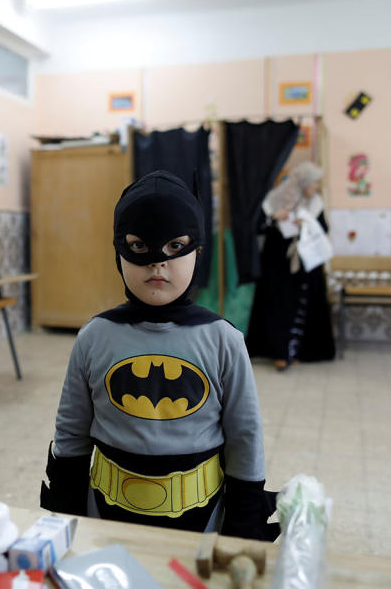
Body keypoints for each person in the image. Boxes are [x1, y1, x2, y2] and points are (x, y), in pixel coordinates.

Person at [40, 171, 278, 541]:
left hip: (201, 522)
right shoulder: (94, 337)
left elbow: (245, 436)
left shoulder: (223, 340)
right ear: (118, 254)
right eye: (139, 247)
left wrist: (244, 521)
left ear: (197, 252)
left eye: (175, 247)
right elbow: (71, 432)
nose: (157, 263)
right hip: (104, 516)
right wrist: (66, 510)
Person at [246, 161, 335, 370]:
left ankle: (300, 351)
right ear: (303, 182)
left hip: (305, 265)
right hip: (277, 265)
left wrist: (306, 223)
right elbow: (258, 227)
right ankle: (279, 353)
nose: (315, 188)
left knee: (301, 306)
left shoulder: (314, 202)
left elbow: (324, 228)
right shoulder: (274, 200)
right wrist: (274, 218)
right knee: (278, 307)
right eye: (313, 183)